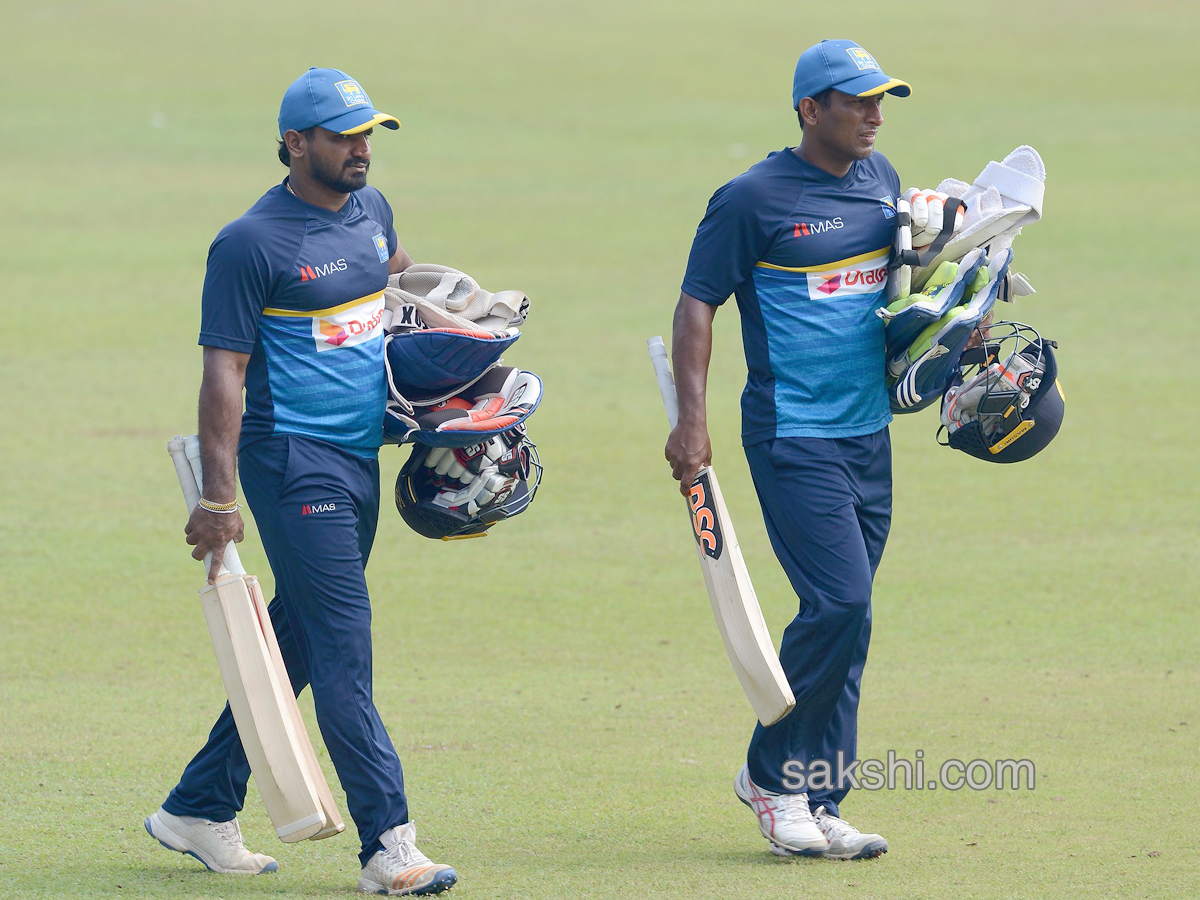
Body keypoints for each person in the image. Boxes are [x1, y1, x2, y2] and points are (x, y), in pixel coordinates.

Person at [144, 67, 457, 897]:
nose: (360, 150)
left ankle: (198, 807)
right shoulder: (251, 243)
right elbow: (224, 375)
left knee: (300, 637)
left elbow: (401, 295)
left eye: (368, 133)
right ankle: (389, 844)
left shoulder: (370, 212)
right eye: (343, 136)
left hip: (359, 456)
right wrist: (219, 498)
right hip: (291, 463)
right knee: (343, 649)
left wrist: (449, 392)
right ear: (295, 143)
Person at [664, 40, 913, 861]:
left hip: (867, 433)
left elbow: (903, 296)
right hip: (791, 432)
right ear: (811, 110)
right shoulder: (751, 199)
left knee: (853, 620)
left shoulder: (883, 184)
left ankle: (822, 794)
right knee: (838, 602)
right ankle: (772, 779)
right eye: (859, 102)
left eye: (883, 102)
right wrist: (691, 425)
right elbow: (697, 307)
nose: (875, 116)